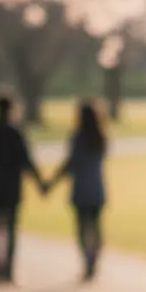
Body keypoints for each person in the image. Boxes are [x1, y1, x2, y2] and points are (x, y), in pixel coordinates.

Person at [0, 94, 43, 284]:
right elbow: (27, 161)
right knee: (10, 229)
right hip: (12, 187)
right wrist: (39, 183)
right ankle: (8, 270)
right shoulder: (15, 133)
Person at [46, 100, 108, 280]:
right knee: (95, 227)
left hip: (81, 190)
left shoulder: (78, 138)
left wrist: (52, 182)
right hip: (96, 189)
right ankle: (93, 261)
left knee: (82, 228)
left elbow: (70, 163)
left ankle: (87, 262)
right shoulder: (101, 137)